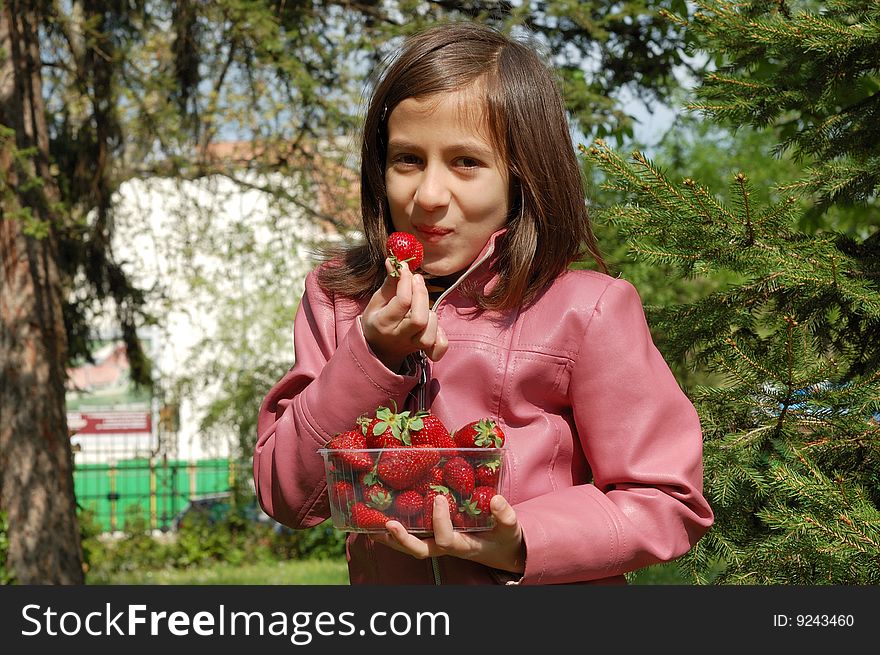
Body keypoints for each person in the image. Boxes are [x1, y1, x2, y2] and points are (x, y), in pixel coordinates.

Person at [253, 21, 714, 585]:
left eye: (466, 162)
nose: (427, 195)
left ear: (522, 174)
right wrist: (370, 354)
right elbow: (287, 494)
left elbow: (665, 498)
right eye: (407, 160)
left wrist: (521, 541)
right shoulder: (342, 301)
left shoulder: (587, 310)